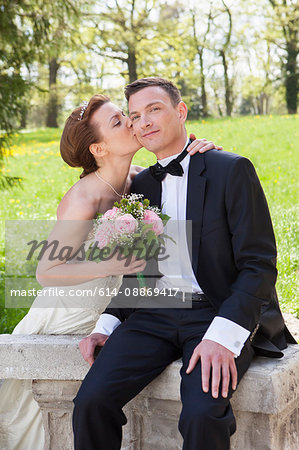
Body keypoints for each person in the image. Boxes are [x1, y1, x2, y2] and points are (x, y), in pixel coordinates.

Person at [73, 78, 296, 450]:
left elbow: (259, 264)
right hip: (153, 314)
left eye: (154, 109)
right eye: (135, 116)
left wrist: (224, 337)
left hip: (217, 311)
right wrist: (106, 325)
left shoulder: (230, 169)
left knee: (201, 415)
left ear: (181, 112)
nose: (143, 121)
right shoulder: (141, 185)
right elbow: (137, 273)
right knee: (90, 403)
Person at [0, 93, 219, 450]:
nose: (133, 123)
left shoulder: (139, 179)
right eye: (119, 122)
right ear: (99, 149)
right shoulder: (83, 199)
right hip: (72, 312)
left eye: (125, 115)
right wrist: (111, 264)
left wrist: (201, 149)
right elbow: (47, 270)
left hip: (118, 306)